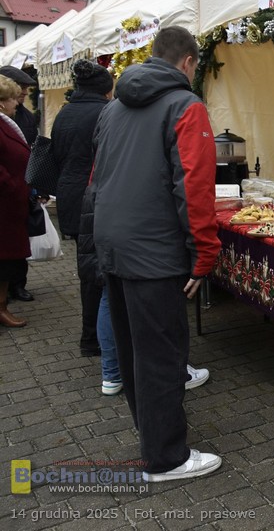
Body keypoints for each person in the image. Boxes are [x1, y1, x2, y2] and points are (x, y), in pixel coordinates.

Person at [90, 26, 222, 482]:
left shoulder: (113, 107)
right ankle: (165, 457)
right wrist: (204, 254)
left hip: (114, 241)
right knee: (162, 356)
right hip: (155, 250)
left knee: (134, 351)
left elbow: (97, 179)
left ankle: (153, 437)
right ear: (188, 62)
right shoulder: (185, 106)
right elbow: (195, 188)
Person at [77, 185, 211, 396]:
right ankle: (167, 374)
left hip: (105, 218)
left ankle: (113, 374)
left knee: (109, 297)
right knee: (151, 304)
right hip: (133, 229)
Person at [50, 59, 114, 356]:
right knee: (97, 273)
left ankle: (92, 335)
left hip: (69, 197)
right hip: (93, 198)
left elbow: (57, 155)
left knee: (87, 269)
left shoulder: (64, 113)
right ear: (106, 91)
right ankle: (93, 338)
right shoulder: (105, 112)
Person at [0, 65, 38, 303]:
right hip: (7, 198)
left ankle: (10, 294)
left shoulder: (20, 118)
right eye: (15, 94)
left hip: (15, 198)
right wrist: (13, 187)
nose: (21, 97)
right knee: (6, 255)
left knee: (11, 254)